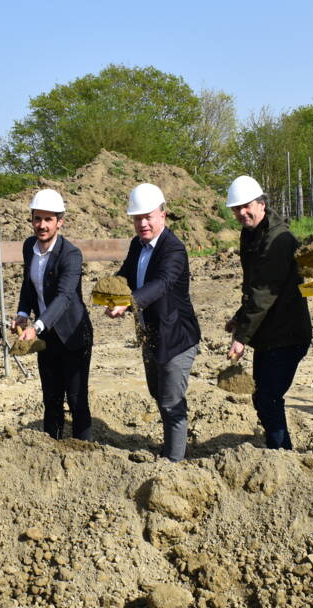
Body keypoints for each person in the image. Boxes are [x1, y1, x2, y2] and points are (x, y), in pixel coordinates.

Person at [105, 183, 201, 462]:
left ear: (163, 215)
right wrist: (111, 292)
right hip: (151, 334)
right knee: (158, 394)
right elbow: (125, 274)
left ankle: (174, 463)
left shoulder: (174, 249)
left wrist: (130, 302)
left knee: (172, 402)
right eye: (138, 218)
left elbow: (163, 282)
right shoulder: (138, 245)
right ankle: (176, 446)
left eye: (148, 217)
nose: (143, 223)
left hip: (177, 337)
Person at [222, 175, 312, 450]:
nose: (241, 213)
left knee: (269, 397)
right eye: (236, 209)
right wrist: (240, 314)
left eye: (246, 206)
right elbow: (255, 284)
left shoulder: (279, 239)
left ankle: (282, 453)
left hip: (287, 333)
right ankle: (279, 448)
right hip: (268, 333)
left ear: (261, 203)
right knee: (262, 397)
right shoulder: (251, 232)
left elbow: (265, 292)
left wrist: (241, 337)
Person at [12, 189, 94, 441]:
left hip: (72, 334)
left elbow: (65, 297)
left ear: (60, 221)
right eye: (38, 219)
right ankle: (51, 446)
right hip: (47, 336)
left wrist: (36, 327)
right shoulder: (29, 247)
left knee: (77, 398)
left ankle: (86, 450)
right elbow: (29, 283)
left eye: (48, 219)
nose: (42, 225)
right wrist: (23, 312)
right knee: (51, 397)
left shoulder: (70, 255)